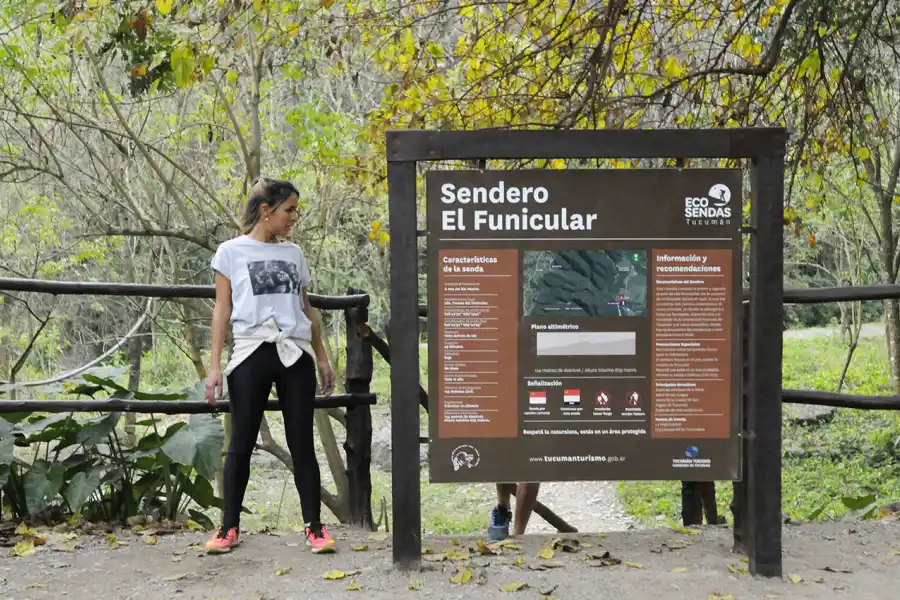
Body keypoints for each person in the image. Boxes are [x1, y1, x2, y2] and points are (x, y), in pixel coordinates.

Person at [204, 176, 337, 555]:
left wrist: (322, 357)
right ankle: (229, 527)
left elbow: (305, 307)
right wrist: (215, 366)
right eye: (289, 210)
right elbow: (222, 309)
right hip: (250, 353)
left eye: (296, 209)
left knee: (302, 443)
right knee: (240, 443)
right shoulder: (230, 252)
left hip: (294, 354)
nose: (294, 217)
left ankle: (314, 527)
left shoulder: (294, 253)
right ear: (266, 210)